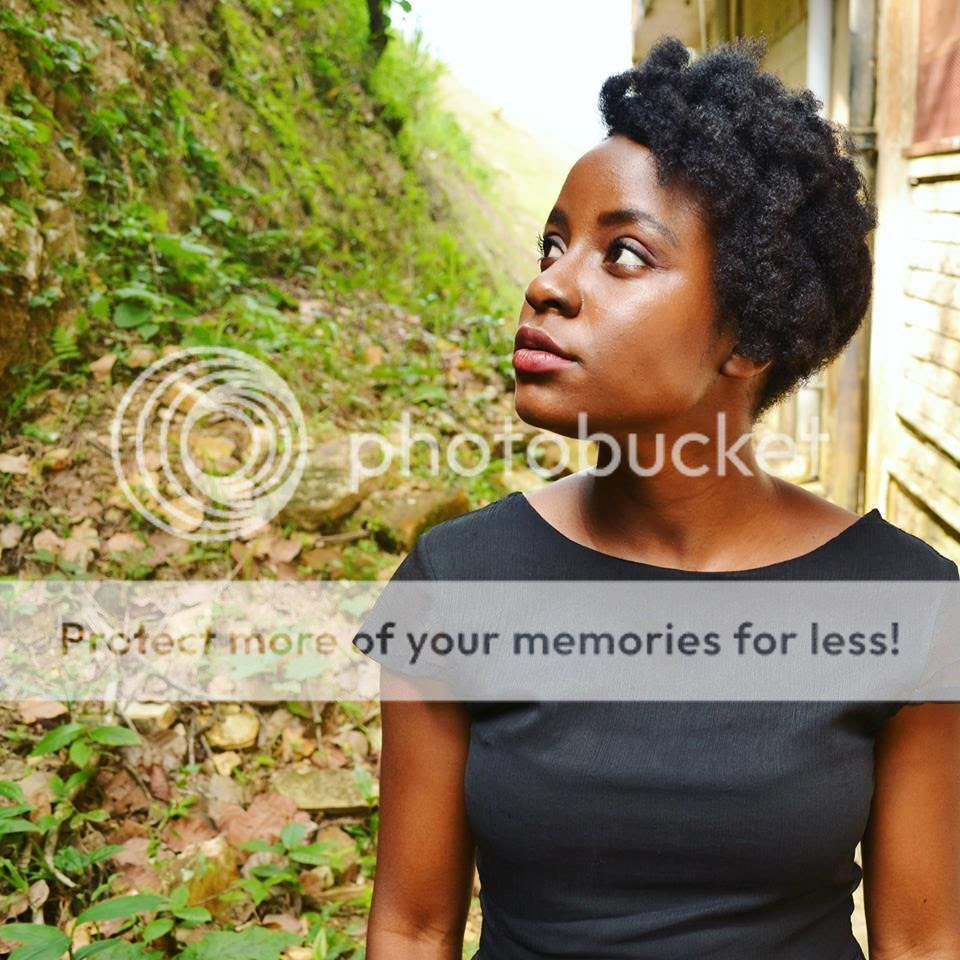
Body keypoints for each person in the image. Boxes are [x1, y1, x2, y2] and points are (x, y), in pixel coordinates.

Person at [358, 36, 960, 960]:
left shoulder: (908, 608)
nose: (547, 285)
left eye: (624, 254)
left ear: (749, 335)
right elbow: (414, 925)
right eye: (553, 244)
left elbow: (923, 941)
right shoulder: (457, 582)